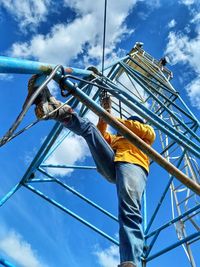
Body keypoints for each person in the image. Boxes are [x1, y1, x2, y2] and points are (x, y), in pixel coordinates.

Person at [27, 75, 156, 267]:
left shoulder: (146, 134)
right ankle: (57, 110)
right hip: (114, 166)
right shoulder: (118, 140)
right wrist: (106, 112)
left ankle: (130, 262)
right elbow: (102, 134)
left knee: (129, 211)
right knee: (88, 129)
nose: (120, 130)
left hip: (134, 166)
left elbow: (134, 127)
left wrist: (112, 117)